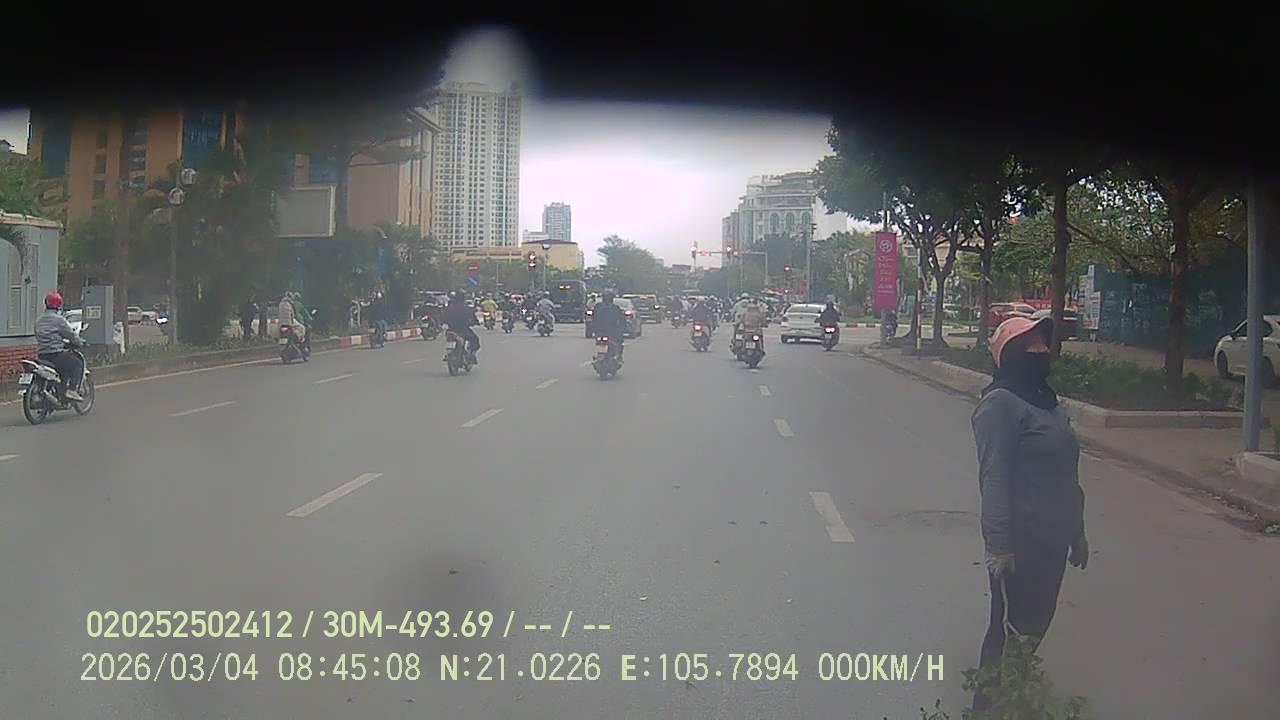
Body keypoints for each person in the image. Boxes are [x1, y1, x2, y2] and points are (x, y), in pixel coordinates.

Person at [970, 316, 1087, 711]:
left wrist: (1077, 531)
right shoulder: (1000, 405)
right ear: (1010, 355)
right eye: (1031, 345)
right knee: (1008, 631)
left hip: (1054, 539)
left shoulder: (1049, 404)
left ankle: (1015, 698)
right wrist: (999, 546)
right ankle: (987, 709)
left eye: (1043, 344)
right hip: (1021, 541)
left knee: (1034, 629)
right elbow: (994, 478)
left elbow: (1068, 471)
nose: (1042, 351)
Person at [34, 292, 86, 402]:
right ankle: (72, 390)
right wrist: (80, 342)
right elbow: (70, 335)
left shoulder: (39, 320)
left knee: (63, 368)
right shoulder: (58, 320)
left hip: (42, 355)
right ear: (58, 304)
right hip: (55, 355)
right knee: (77, 364)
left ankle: (59, 390)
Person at [443, 290, 481, 362]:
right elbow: (473, 318)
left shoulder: (450, 307)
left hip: (451, 329)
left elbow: (444, 317)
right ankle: (472, 355)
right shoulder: (466, 308)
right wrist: (475, 322)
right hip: (463, 330)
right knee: (475, 340)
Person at [592, 290, 627, 358]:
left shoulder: (615, 308)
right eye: (606, 297)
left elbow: (621, 319)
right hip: (602, 331)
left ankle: (618, 356)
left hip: (612, 331)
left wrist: (622, 328)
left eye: (608, 297)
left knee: (619, 341)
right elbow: (594, 318)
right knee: (617, 341)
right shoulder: (598, 307)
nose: (607, 299)